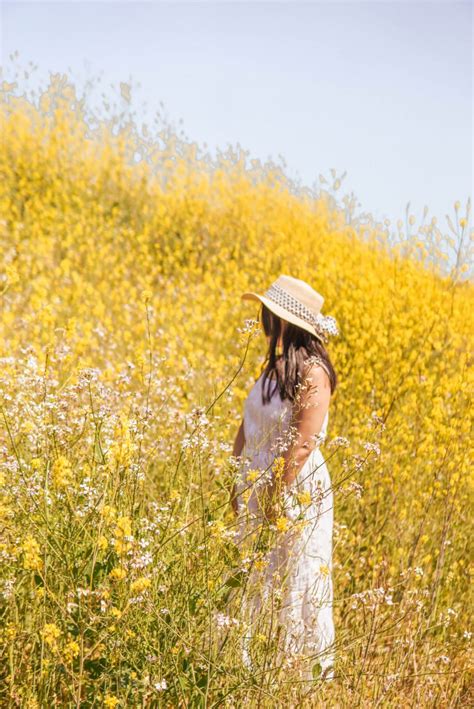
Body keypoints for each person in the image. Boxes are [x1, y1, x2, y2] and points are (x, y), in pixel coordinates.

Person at [229, 274, 339, 682]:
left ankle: (294, 681)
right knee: (255, 583)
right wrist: (235, 480)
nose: (262, 319)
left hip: (293, 493)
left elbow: (302, 444)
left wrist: (276, 495)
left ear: (283, 321)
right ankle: (251, 675)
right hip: (259, 485)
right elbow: (247, 425)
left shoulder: (314, 373)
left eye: (269, 313)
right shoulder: (273, 368)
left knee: (294, 581)